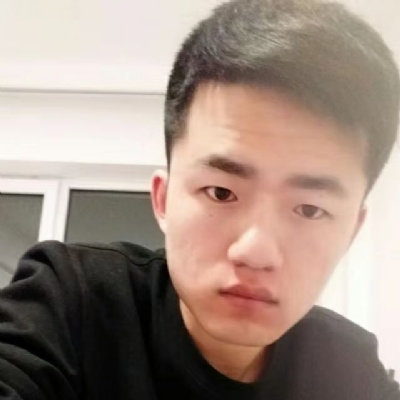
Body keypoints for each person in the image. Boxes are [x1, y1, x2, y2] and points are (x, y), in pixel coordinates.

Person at [0, 0, 399, 398]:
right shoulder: (74, 302)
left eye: (310, 209)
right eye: (221, 192)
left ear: (351, 231)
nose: (255, 251)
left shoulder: (350, 370)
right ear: (163, 199)